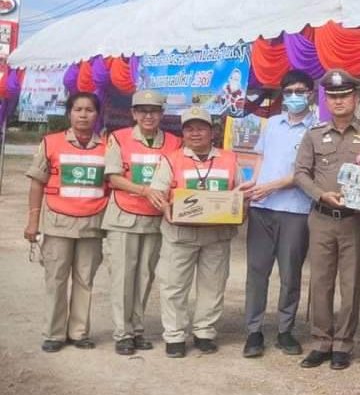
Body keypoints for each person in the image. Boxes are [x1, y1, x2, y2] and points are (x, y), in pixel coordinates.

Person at [293, 69, 360, 370]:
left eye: (344, 96)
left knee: (351, 284)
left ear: (355, 98)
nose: (339, 101)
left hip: (356, 221)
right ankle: (321, 341)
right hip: (322, 217)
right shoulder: (314, 134)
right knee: (320, 282)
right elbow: (301, 173)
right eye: (333, 97)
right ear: (326, 101)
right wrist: (321, 194)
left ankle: (343, 343)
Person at [149, 106, 249, 358]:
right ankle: (174, 335)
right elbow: (158, 192)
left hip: (217, 235)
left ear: (212, 132)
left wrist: (242, 209)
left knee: (213, 285)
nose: (195, 133)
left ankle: (204, 332)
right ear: (183, 133)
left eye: (201, 128)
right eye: (189, 129)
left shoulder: (229, 159)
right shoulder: (171, 159)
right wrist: (164, 208)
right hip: (179, 234)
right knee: (174, 286)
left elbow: (241, 193)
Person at [24, 92, 109, 352]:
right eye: (78, 109)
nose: (83, 115)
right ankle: (54, 334)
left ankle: (79, 333)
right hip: (58, 223)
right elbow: (37, 184)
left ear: (97, 115)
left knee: (85, 280)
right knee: (56, 279)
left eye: (89, 110)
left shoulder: (108, 147)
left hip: (92, 224)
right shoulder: (50, 143)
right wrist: (33, 221)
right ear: (69, 113)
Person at [242, 70, 318, 358]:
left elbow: (306, 173)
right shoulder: (272, 123)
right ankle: (254, 331)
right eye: (288, 92)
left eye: (300, 91)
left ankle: (285, 330)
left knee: (290, 273)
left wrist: (271, 186)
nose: (294, 96)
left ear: (310, 94)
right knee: (256, 271)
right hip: (262, 208)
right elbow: (261, 156)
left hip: (295, 210)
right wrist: (254, 181)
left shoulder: (317, 129)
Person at [102, 89, 181, 356]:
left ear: (162, 114)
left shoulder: (174, 142)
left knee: (145, 277)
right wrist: (145, 191)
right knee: (123, 277)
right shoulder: (118, 138)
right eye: (143, 111)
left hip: (155, 219)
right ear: (133, 114)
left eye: (154, 111)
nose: (149, 116)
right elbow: (113, 177)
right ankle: (122, 333)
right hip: (124, 217)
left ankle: (137, 329)